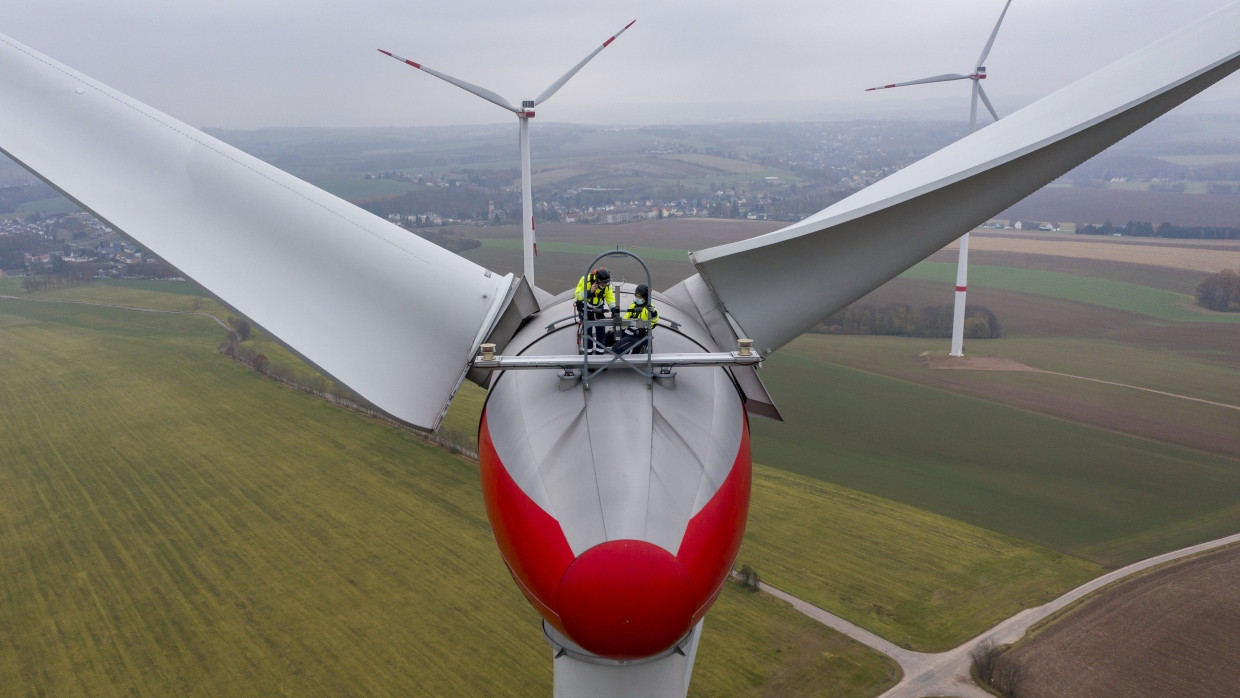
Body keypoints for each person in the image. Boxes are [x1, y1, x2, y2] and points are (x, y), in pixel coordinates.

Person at [574, 267, 618, 354]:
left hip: (599, 311)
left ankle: (600, 357)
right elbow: (577, 296)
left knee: (601, 335)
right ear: (597, 280)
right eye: (603, 283)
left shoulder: (607, 285)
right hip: (586, 311)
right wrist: (589, 292)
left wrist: (614, 309)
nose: (605, 285)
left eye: (606, 283)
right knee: (587, 335)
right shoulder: (585, 280)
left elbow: (610, 298)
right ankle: (588, 358)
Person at [612, 283, 659, 355]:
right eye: (636, 296)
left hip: (639, 336)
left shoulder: (649, 308)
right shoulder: (633, 305)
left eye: (640, 297)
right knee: (610, 338)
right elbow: (627, 317)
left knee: (616, 348)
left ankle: (629, 357)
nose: (637, 298)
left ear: (645, 297)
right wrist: (620, 325)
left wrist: (652, 312)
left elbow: (654, 319)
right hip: (630, 332)